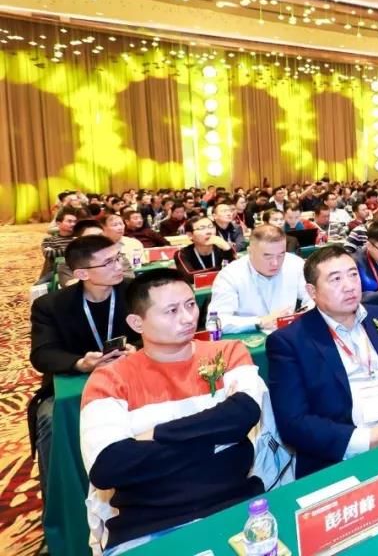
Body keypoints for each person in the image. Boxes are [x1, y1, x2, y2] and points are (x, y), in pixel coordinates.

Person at [80, 270, 266, 555]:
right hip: (148, 522)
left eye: (191, 305)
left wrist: (156, 434)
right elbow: (110, 466)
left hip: (236, 502)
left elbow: (243, 414)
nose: (188, 318)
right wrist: (217, 440)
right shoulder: (110, 379)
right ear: (137, 323)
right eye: (171, 311)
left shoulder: (228, 352)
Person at [266, 245, 378, 479]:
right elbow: (293, 422)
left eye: (353, 274)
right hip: (345, 457)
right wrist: (366, 440)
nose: (349, 286)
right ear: (312, 291)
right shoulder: (290, 341)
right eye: (335, 279)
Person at [30, 235, 141, 502]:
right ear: (82, 273)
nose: (119, 265)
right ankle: (63, 504)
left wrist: (138, 348)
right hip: (76, 382)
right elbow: (43, 353)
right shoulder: (51, 305)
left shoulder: (135, 292)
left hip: (133, 376)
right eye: (109, 262)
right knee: (50, 420)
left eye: (118, 258)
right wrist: (80, 363)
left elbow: (157, 328)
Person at [208, 224, 311, 334]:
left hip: (288, 333)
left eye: (281, 255)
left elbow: (313, 299)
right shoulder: (230, 275)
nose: (275, 263)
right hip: (249, 338)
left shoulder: (295, 264)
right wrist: (260, 322)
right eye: (268, 256)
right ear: (250, 252)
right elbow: (215, 322)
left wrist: (304, 313)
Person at [174, 216, 236, 281]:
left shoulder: (223, 248)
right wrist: (222, 269)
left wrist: (227, 249)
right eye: (202, 228)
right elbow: (190, 277)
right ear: (190, 235)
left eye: (211, 227)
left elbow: (236, 271)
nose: (209, 232)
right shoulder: (182, 254)